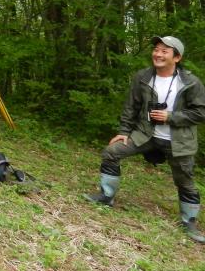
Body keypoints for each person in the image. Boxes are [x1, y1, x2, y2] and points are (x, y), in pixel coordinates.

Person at [85, 35, 205, 243]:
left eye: (164, 51)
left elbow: (201, 112)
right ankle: (106, 197)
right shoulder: (143, 77)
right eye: (156, 49)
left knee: (185, 181)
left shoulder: (190, 82)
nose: (157, 54)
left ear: (177, 57)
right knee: (111, 152)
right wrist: (124, 131)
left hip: (179, 141)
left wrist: (171, 117)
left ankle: (189, 223)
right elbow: (131, 107)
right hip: (145, 134)